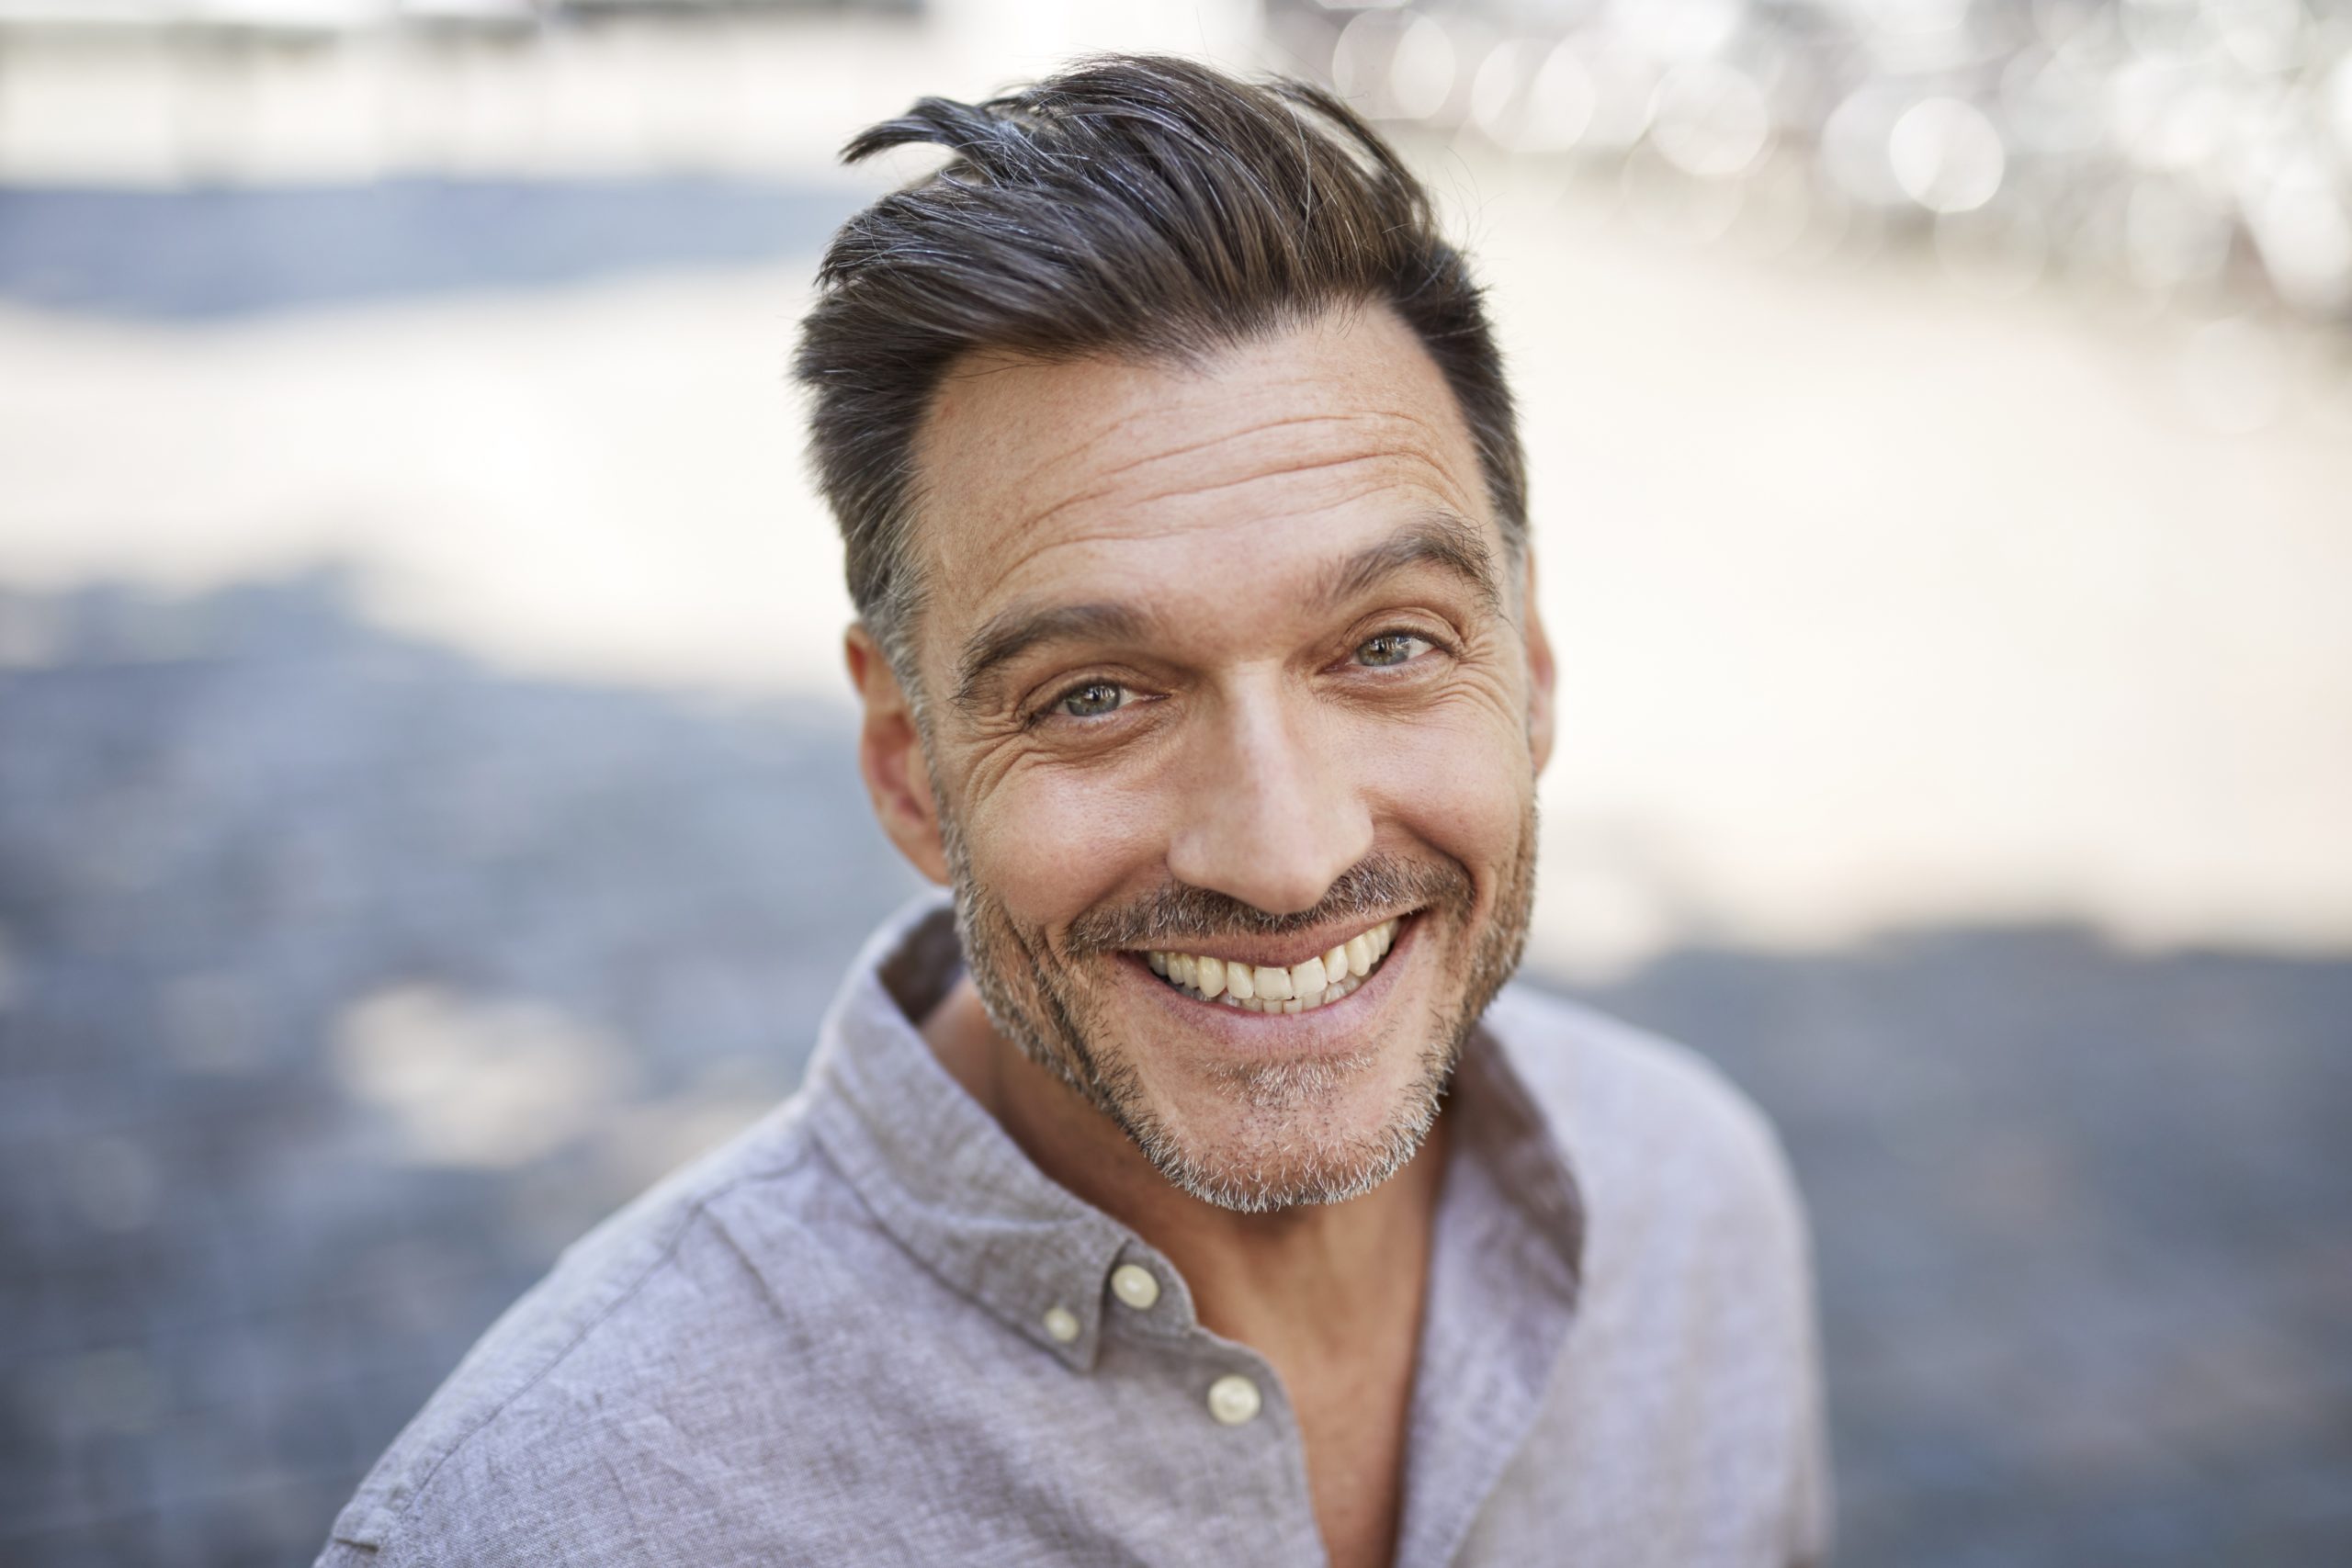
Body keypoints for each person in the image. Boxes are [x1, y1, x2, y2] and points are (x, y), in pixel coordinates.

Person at [316, 54, 1829, 1568]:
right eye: (1097, 695)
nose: (1288, 852)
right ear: (910, 765)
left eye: (1387, 647)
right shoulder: (541, 1523)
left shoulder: (1691, 1206)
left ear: (1532, 667)